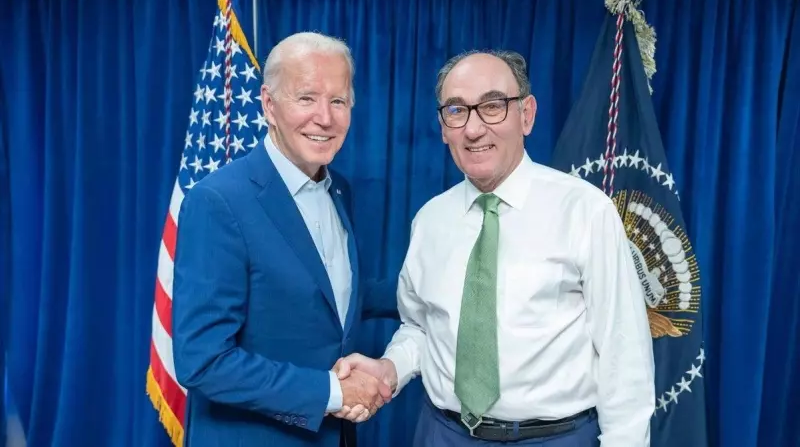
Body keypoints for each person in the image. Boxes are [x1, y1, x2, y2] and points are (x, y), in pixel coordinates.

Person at [334, 50, 656, 446]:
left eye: (492, 106)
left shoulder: (586, 212)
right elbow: (421, 327)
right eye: (457, 110)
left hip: (555, 438)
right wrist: (391, 369)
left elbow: (625, 356)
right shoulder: (431, 220)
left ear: (527, 114)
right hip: (443, 434)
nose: (473, 129)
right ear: (443, 125)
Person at [172, 32, 398, 447]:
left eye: (338, 101)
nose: (325, 118)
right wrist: (331, 392)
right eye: (307, 98)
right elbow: (203, 360)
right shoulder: (219, 202)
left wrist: (428, 290)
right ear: (269, 104)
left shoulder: (338, 188)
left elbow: (325, 295)